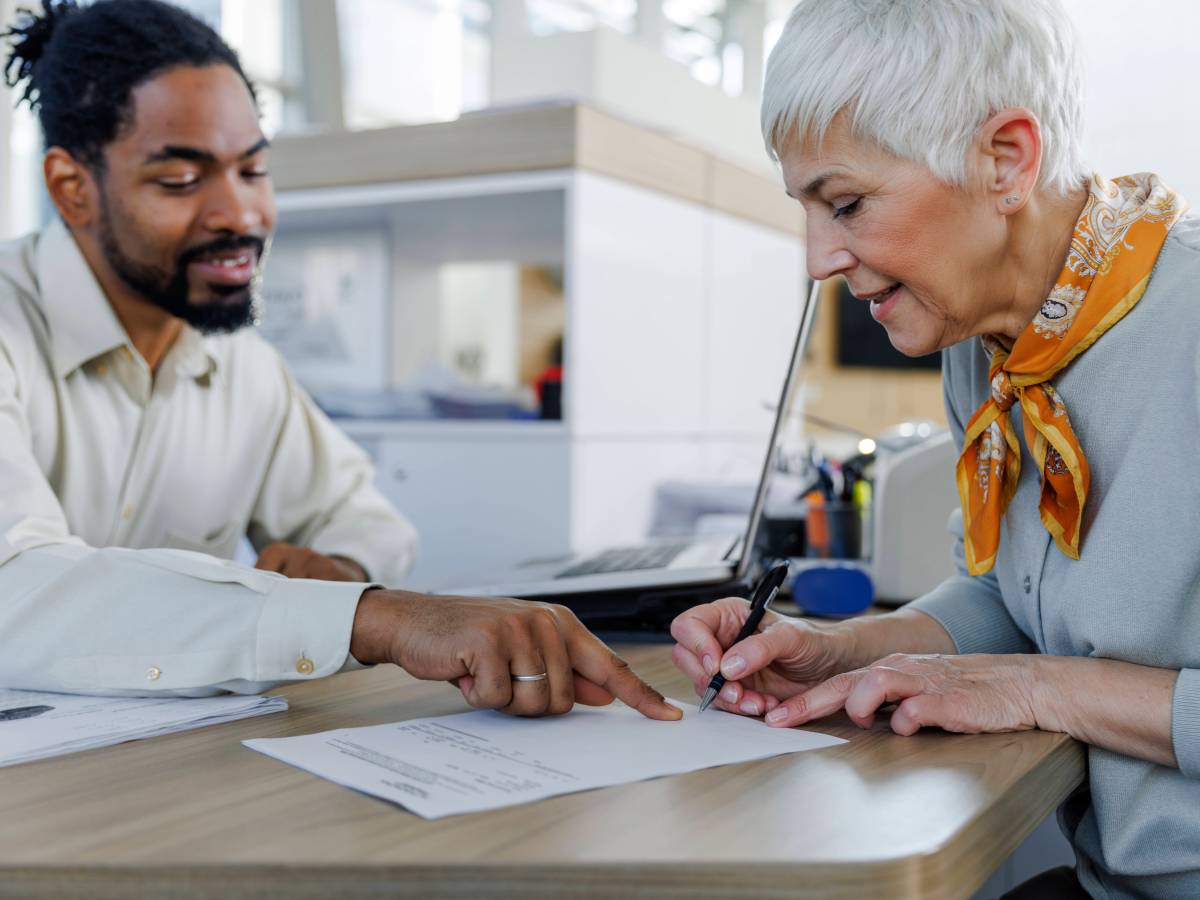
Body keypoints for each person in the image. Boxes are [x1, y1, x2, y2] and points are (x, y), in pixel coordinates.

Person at [0, 0, 679, 725]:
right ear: (71, 188)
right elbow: (16, 587)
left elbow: (367, 520)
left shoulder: (240, 367)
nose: (240, 213)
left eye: (254, 170)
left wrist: (342, 571)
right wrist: (362, 617)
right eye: (180, 181)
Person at [671, 0, 1200, 896]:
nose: (817, 259)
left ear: (1006, 160)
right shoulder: (981, 343)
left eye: (846, 204)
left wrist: (1043, 689)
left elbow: (1038, 663)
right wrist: (845, 650)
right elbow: (1009, 591)